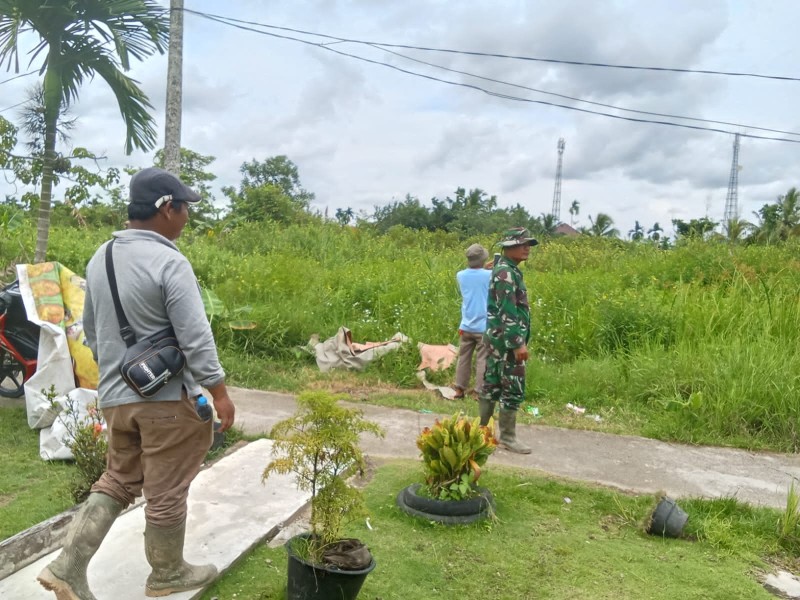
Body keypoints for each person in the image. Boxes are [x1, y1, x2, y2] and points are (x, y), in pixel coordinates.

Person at [38, 167, 236, 599]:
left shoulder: (100, 257)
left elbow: (90, 332)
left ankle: (67, 565)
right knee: (166, 491)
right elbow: (195, 336)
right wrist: (218, 391)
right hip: (165, 401)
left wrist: (117, 382)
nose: (186, 217)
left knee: (118, 479)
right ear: (167, 208)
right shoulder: (169, 260)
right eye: (184, 208)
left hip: (116, 398)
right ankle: (167, 574)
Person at [479, 227, 538, 454]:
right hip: (506, 343)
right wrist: (517, 343)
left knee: (492, 384)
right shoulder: (506, 273)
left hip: (497, 340)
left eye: (529, 245)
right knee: (512, 387)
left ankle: (481, 432)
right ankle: (507, 437)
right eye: (523, 244)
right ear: (509, 246)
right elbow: (507, 310)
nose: (527, 248)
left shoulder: (504, 269)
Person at [453, 243, 491, 399]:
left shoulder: (460, 275)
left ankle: (459, 389)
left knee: (463, 358)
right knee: (482, 359)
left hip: (466, 325)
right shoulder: (490, 275)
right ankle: (478, 392)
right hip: (483, 326)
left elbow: (475, 276)